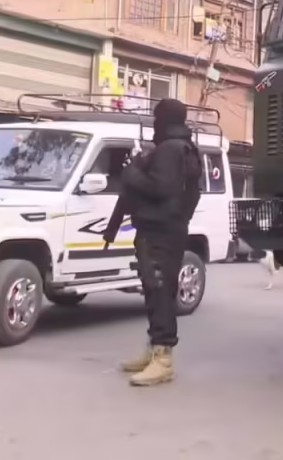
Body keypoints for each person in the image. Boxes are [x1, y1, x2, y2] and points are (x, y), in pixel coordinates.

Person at [111, 99, 203, 387]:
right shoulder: (186, 148)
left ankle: (163, 360)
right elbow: (191, 193)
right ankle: (155, 350)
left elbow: (160, 188)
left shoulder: (168, 150)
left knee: (159, 290)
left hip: (159, 231)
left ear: (163, 120)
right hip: (170, 228)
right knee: (155, 289)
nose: (154, 123)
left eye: (157, 118)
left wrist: (132, 174)